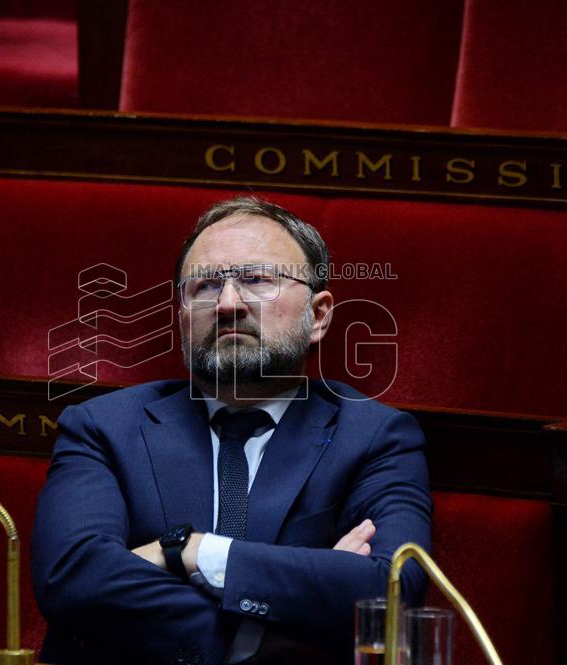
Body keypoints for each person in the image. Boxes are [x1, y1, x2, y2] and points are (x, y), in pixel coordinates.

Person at [31, 196, 431, 665]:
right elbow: (72, 579)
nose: (226, 304)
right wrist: (258, 637)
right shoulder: (103, 427)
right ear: (180, 313)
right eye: (204, 286)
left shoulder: (376, 436)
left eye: (256, 280)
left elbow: (390, 591)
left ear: (319, 316)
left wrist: (193, 553)